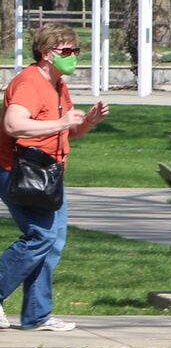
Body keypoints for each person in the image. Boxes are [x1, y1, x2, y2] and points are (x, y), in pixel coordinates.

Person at [0, 25, 109, 331]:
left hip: (48, 174)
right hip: (19, 172)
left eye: (76, 51)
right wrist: (61, 121)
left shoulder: (58, 84)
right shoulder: (29, 83)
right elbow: (13, 124)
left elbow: (69, 130)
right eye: (67, 52)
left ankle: (37, 315)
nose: (73, 57)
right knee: (41, 236)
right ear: (47, 54)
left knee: (53, 242)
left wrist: (88, 121)